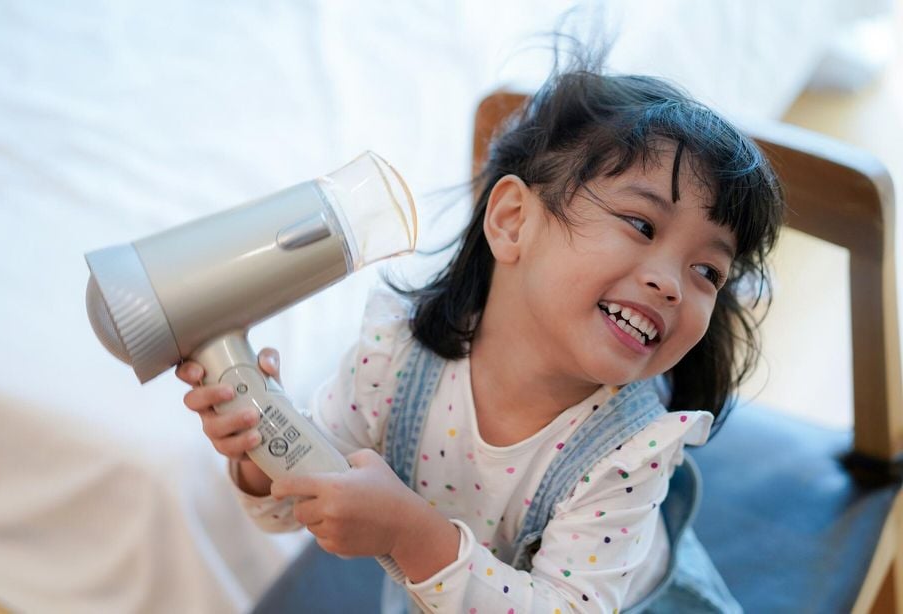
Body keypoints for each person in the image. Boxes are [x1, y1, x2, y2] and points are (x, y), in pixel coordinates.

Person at [177, 47, 784, 612]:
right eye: (642, 224)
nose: (674, 284)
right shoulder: (393, 359)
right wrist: (260, 446)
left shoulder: (628, 457)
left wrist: (413, 535)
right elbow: (294, 509)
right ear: (514, 221)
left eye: (708, 270)